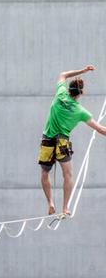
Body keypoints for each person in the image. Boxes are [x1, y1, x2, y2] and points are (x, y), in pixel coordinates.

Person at [38, 65, 106, 216]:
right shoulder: (80, 111)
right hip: (62, 142)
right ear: (80, 93)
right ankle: (65, 208)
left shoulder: (60, 93)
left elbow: (63, 74)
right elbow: (101, 129)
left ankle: (50, 203)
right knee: (67, 175)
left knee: (44, 173)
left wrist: (82, 71)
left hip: (47, 139)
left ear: (69, 89)